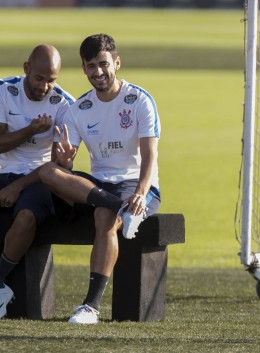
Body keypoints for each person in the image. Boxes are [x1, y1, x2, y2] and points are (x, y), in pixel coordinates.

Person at [38, 33, 162, 324]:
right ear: (83, 68)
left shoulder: (140, 100)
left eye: (103, 64)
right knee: (47, 171)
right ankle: (120, 207)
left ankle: (90, 307)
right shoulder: (78, 109)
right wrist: (65, 160)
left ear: (116, 63)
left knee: (103, 217)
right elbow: (64, 169)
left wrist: (142, 193)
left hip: (135, 184)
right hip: (101, 186)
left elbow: (150, 155)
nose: (98, 72)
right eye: (91, 65)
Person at [0, 45, 75, 319]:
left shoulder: (64, 104)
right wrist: (31, 129)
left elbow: (55, 165)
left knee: (27, 216)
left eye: (52, 79)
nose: (45, 86)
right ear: (26, 69)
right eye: (39, 78)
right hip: (3, 171)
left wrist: (18, 186)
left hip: (38, 178)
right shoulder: (4, 90)